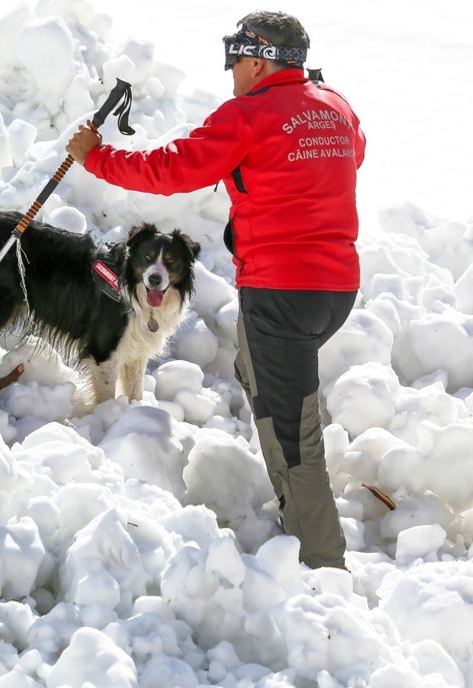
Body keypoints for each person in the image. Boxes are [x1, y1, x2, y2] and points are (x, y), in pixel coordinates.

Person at [67, 10, 365, 570]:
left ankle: (320, 562)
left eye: (235, 60)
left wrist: (96, 158)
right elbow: (352, 155)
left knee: (290, 426)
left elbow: (173, 170)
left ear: (258, 60)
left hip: (282, 291)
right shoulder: (337, 108)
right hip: (335, 289)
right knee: (262, 381)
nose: (231, 73)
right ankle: (299, 517)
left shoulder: (249, 114)